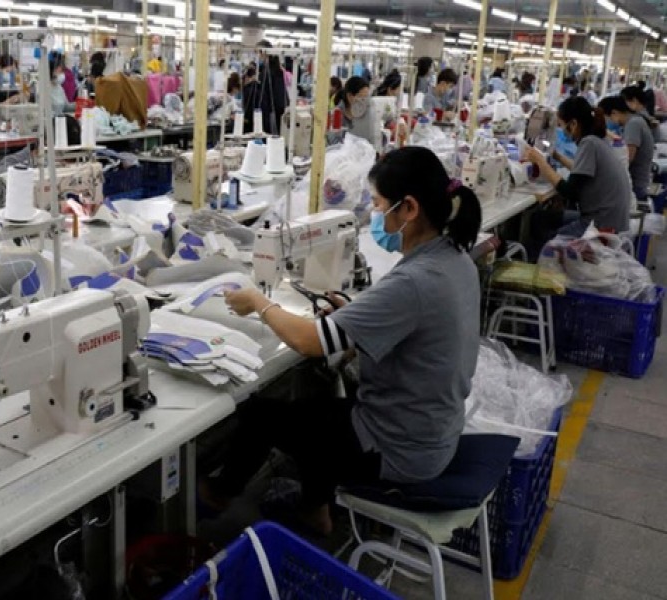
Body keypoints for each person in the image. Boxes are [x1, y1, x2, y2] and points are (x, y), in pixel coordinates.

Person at [199, 146, 483, 536]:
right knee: (318, 408)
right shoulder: (455, 259)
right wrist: (356, 317)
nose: (377, 216)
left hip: (399, 447)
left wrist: (258, 302)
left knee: (262, 414)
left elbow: (309, 341)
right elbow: (414, 334)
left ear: (410, 209)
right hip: (432, 430)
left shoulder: (416, 280)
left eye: (381, 205)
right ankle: (313, 508)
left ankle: (218, 496)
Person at [522, 96, 630, 241]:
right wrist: (556, 155)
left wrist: (542, 163)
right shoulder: (598, 141)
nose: (562, 131)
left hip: (600, 223)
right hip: (609, 218)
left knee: (548, 240)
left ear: (573, 123)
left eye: (561, 125)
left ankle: (543, 258)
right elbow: (581, 171)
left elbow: (570, 192)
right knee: (541, 218)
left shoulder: (589, 143)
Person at [600, 96, 654, 202]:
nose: (606, 122)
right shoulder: (635, 121)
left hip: (636, 185)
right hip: (639, 181)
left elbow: (628, 157)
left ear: (614, 113)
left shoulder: (633, 124)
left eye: (605, 118)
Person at [255, 40, 288, 135]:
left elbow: (276, 96)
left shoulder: (273, 71)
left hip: (274, 112)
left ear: (264, 52)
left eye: (258, 52)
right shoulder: (268, 69)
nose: (257, 56)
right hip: (271, 111)